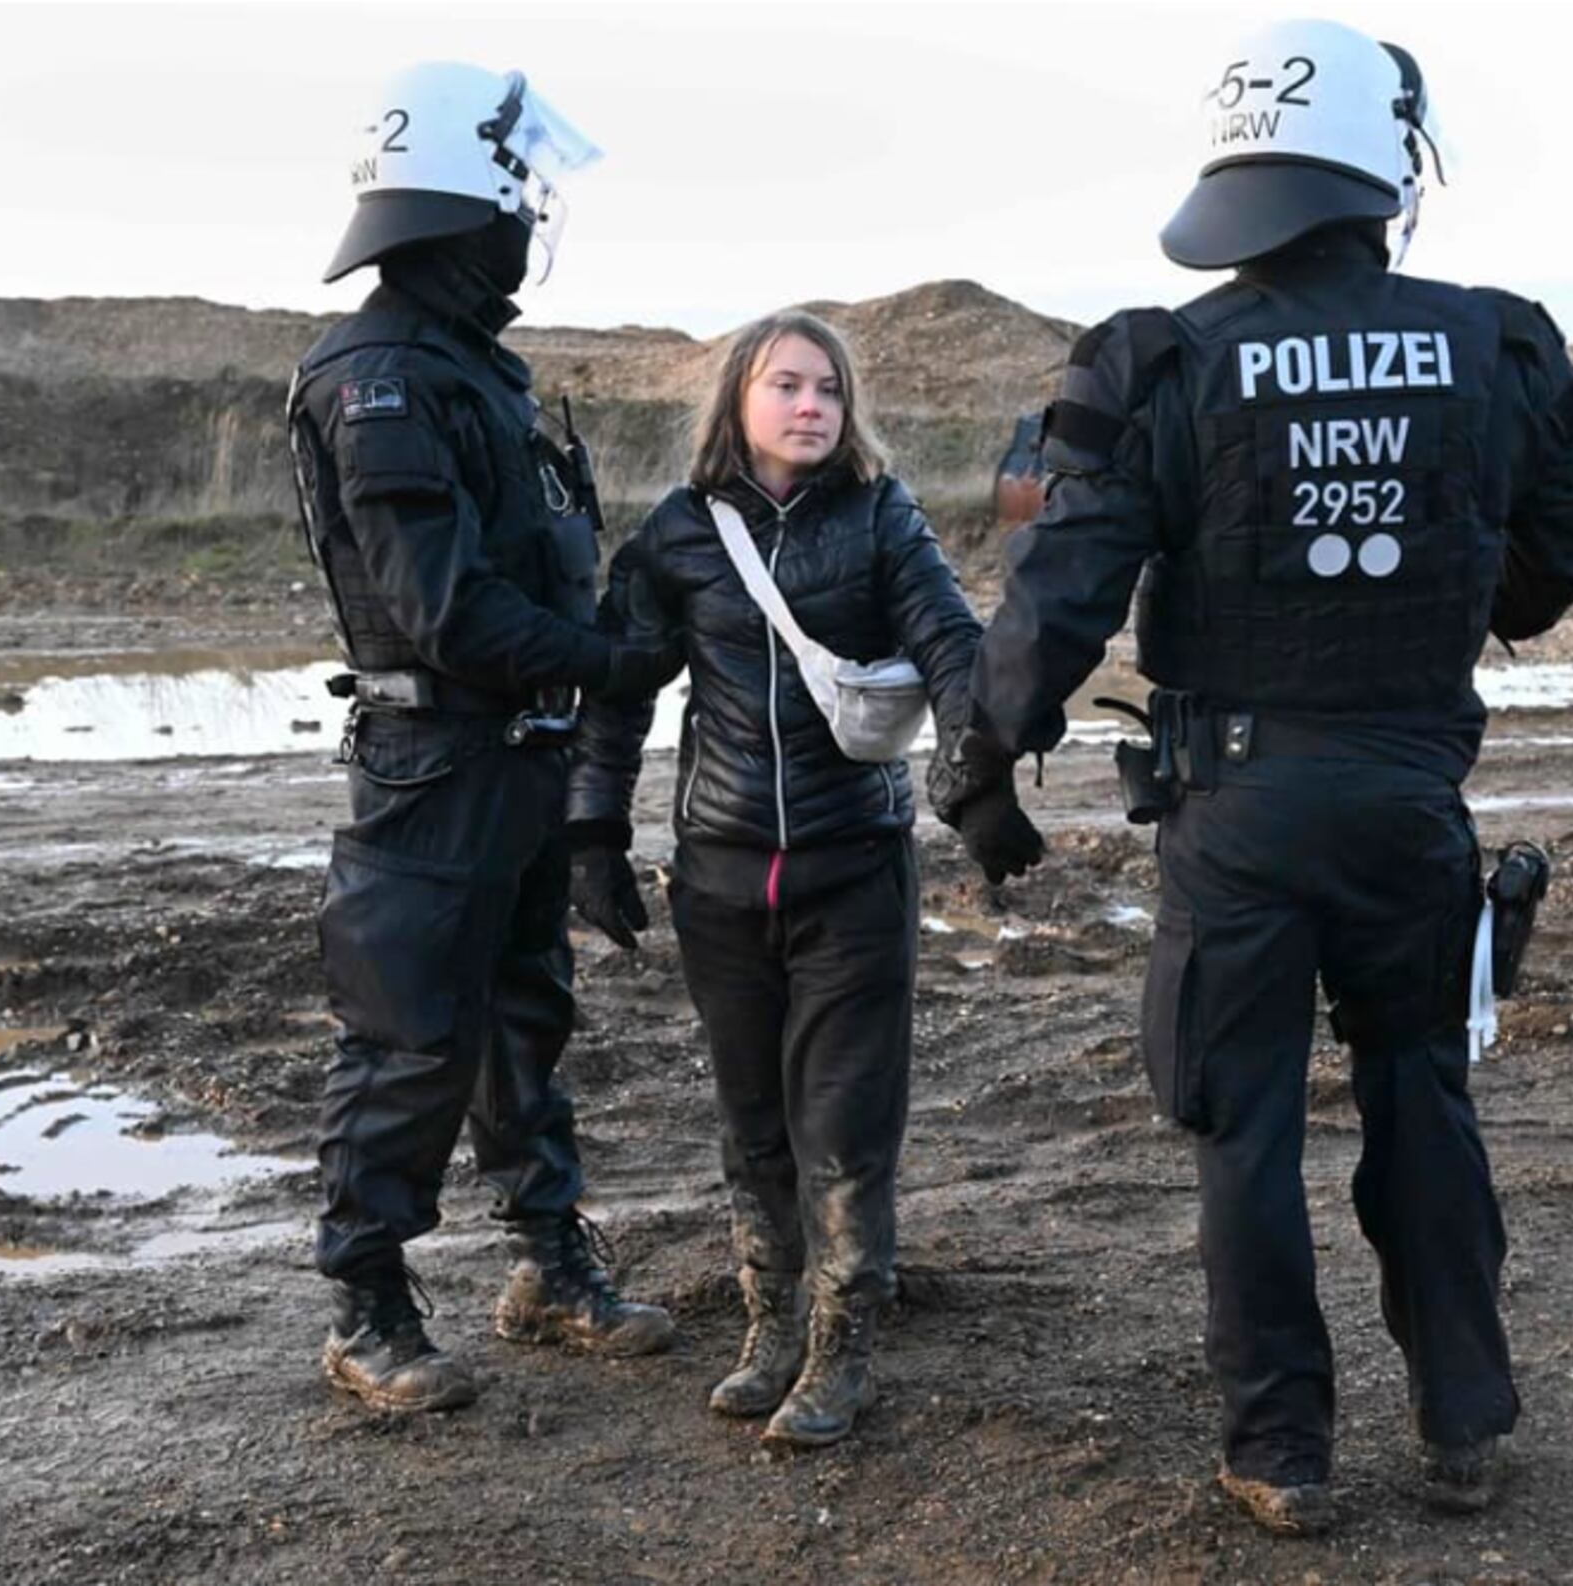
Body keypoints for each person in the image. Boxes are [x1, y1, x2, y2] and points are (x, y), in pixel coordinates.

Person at [932, 20, 1573, 1534]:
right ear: (1387, 167)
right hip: (1407, 793)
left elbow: (1061, 598)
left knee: (1243, 1131)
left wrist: (981, 760)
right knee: (1420, 1095)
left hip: (1236, 811)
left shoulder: (1156, 358)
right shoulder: (1502, 340)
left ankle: (1284, 1452)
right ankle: (1463, 1420)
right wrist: (1456, 604)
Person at [287, 61, 683, 1414]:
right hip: (437, 759)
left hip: (515, 753)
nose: (535, 220)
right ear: (473, 207)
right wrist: (615, 660)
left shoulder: (470, 365)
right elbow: (443, 606)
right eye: (522, 197)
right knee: (406, 1034)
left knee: (525, 1019)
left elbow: (531, 559)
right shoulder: (381, 375)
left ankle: (547, 1265)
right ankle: (368, 1303)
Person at [566, 310, 1026, 1447]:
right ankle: (769, 1326)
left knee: (844, 1119)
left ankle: (841, 1343)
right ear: (736, 401)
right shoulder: (678, 535)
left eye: (828, 387)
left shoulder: (881, 517)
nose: (811, 405)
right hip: (719, 876)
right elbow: (620, 690)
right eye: (786, 385)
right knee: (750, 1116)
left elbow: (950, 644)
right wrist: (590, 831)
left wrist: (978, 782)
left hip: (852, 872)